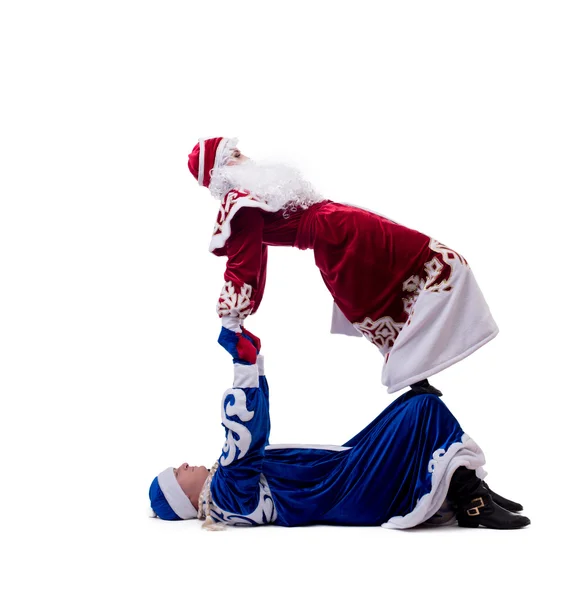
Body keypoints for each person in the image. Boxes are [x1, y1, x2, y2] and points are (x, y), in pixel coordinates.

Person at [187, 137, 498, 394]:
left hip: (344, 229)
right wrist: (232, 315)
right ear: (220, 170)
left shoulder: (248, 195)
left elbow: (256, 259)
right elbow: (246, 260)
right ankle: (413, 375)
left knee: (410, 281)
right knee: (428, 271)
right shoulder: (239, 203)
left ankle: (416, 374)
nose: (247, 158)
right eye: (237, 155)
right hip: (340, 239)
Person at [149, 328, 529, 530]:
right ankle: (472, 504)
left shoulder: (226, 487)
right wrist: (243, 366)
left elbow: (253, 439)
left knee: (417, 403)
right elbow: (246, 443)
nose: (183, 464)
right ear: (181, 499)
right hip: (348, 488)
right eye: (176, 473)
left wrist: (254, 365)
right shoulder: (228, 495)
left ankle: (469, 489)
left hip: (343, 475)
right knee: (423, 407)